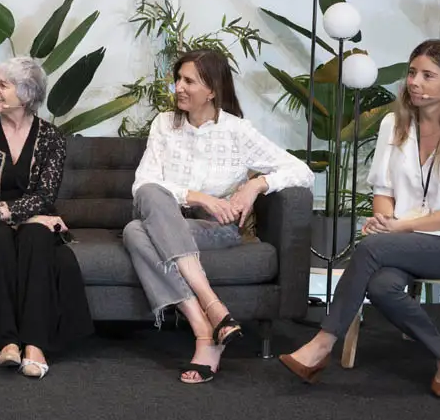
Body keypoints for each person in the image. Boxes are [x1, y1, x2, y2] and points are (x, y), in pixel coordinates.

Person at [280, 39, 440, 396]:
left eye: (428, 75)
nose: (415, 82)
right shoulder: (394, 125)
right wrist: (385, 222)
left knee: (371, 248)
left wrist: (399, 227)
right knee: (382, 286)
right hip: (402, 241)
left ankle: (321, 344)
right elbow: (383, 190)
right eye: (412, 73)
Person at [123, 49, 313, 384]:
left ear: (212, 90)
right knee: (146, 203)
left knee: (135, 232)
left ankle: (207, 324)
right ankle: (207, 322)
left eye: (188, 81)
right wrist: (198, 197)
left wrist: (257, 184)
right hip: (167, 216)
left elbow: (302, 172)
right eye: (178, 79)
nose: (178, 87)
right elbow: (143, 184)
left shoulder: (237, 131)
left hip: (215, 229)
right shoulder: (165, 124)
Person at [0, 57, 93, 379]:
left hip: (27, 220)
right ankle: (6, 342)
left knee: (35, 236)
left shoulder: (52, 137)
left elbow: (45, 196)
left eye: (3, 85)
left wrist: (6, 215)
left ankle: (35, 344)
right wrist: (9, 216)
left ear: (27, 93)